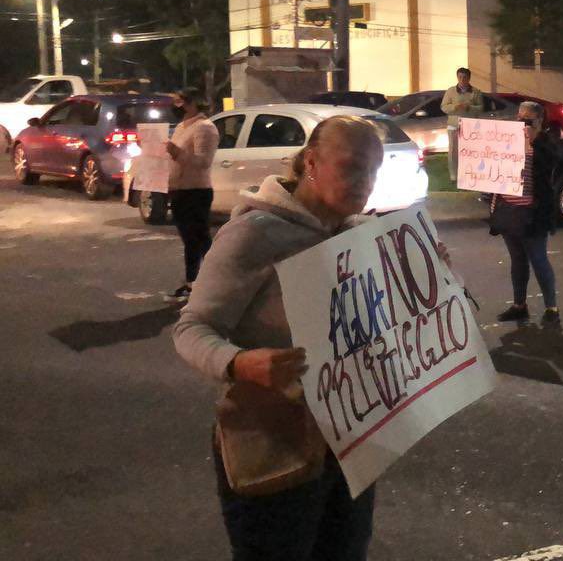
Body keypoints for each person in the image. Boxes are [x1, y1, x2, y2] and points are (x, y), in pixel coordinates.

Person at [173, 116, 449, 560]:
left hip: (349, 441)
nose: (364, 182)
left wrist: (427, 274)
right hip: (271, 445)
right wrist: (240, 363)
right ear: (310, 162)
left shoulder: (360, 235)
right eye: (352, 166)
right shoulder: (253, 234)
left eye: (373, 170)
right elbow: (192, 329)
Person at [491, 101, 560, 325]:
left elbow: (550, 164)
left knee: (538, 259)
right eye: (519, 119)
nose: (522, 124)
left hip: (532, 213)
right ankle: (519, 305)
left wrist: (534, 139)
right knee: (517, 261)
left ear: (539, 122)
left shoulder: (544, 144)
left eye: (527, 120)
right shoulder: (508, 142)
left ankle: (552, 308)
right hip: (509, 209)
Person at [164, 88, 219, 303]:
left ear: (192, 104)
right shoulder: (180, 127)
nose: (175, 107)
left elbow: (203, 162)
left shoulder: (205, 128)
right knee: (191, 239)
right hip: (179, 189)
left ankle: (204, 280)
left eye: (179, 102)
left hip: (196, 191)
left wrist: (176, 152)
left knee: (197, 238)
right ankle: (195, 282)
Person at [441, 67, 484, 181]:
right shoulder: (450, 91)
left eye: (465, 77)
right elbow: (444, 107)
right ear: (457, 77)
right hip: (454, 125)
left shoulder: (476, 92)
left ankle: (468, 173)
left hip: (470, 126)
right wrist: (455, 107)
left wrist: (470, 107)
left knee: (469, 151)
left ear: (469, 78)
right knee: (453, 151)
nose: (462, 79)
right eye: (460, 77)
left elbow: (481, 108)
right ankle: (454, 175)